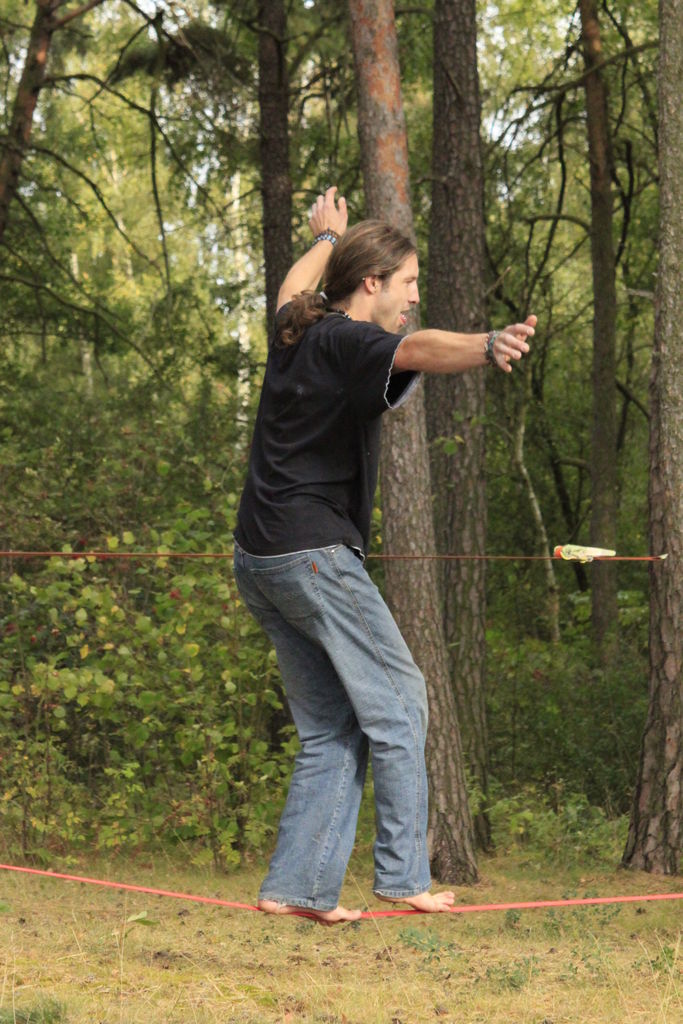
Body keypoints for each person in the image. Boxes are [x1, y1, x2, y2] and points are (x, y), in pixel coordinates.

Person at [233, 187, 534, 925]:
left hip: (259, 560)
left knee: (332, 728)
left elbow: (291, 288)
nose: (413, 296)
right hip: (312, 557)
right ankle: (402, 875)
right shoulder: (346, 339)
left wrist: (327, 239)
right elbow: (417, 346)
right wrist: (486, 342)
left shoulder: (298, 329)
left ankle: (297, 889)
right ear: (373, 284)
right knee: (401, 703)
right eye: (406, 283)